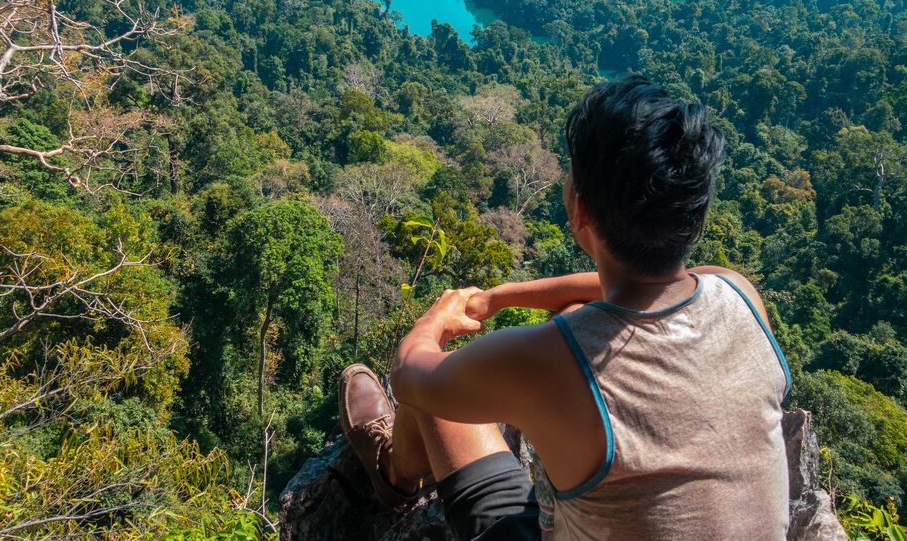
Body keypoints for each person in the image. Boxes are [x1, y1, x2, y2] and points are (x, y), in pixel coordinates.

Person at [338, 76, 791, 540]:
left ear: (581, 212)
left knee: (436, 391)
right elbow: (620, 287)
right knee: (576, 310)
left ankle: (393, 473)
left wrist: (436, 318)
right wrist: (502, 296)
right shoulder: (739, 295)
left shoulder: (553, 362)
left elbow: (410, 376)